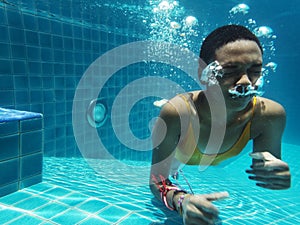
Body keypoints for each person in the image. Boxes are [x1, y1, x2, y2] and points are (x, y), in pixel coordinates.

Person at [149, 24, 291, 225]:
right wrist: (182, 200)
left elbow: (264, 167)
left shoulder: (269, 116)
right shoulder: (176, 114)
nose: (245, 82)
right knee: (172, 170)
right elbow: (156, 180)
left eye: (255, 71)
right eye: (229, 71)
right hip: (183, 150)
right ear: (203, 73)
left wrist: (274, 173)